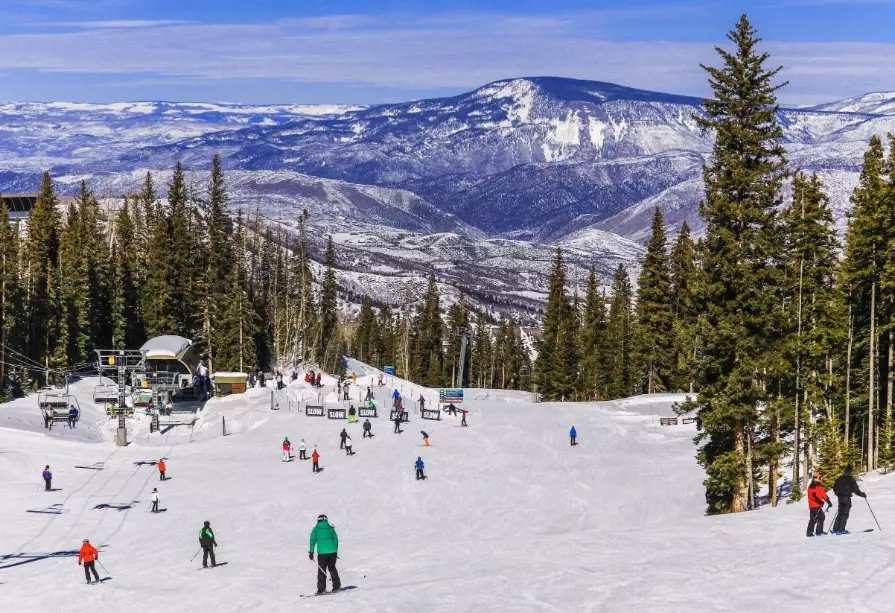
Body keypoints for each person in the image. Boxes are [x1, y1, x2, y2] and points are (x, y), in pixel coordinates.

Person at [309, 514, 341, 595]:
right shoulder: (331, 528)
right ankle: (336, 587)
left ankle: (321, 590)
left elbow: (312, 540)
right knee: (332, 568)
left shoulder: (316, 529)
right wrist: (334, 549)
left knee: (322, 570)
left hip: (322, 554)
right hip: (332, 552)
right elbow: (336, 539)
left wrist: (311, 552)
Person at [832, 465, 866, 534]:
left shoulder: (839, 478)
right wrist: (862, 494)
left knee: (840, 513)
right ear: (850, 472)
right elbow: (856, 490)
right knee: (845, 514)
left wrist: (837, 494)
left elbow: (834, 487)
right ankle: (841, 529)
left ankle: (835, 529)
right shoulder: (851, 479)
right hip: (846, 498)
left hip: (840, 498)